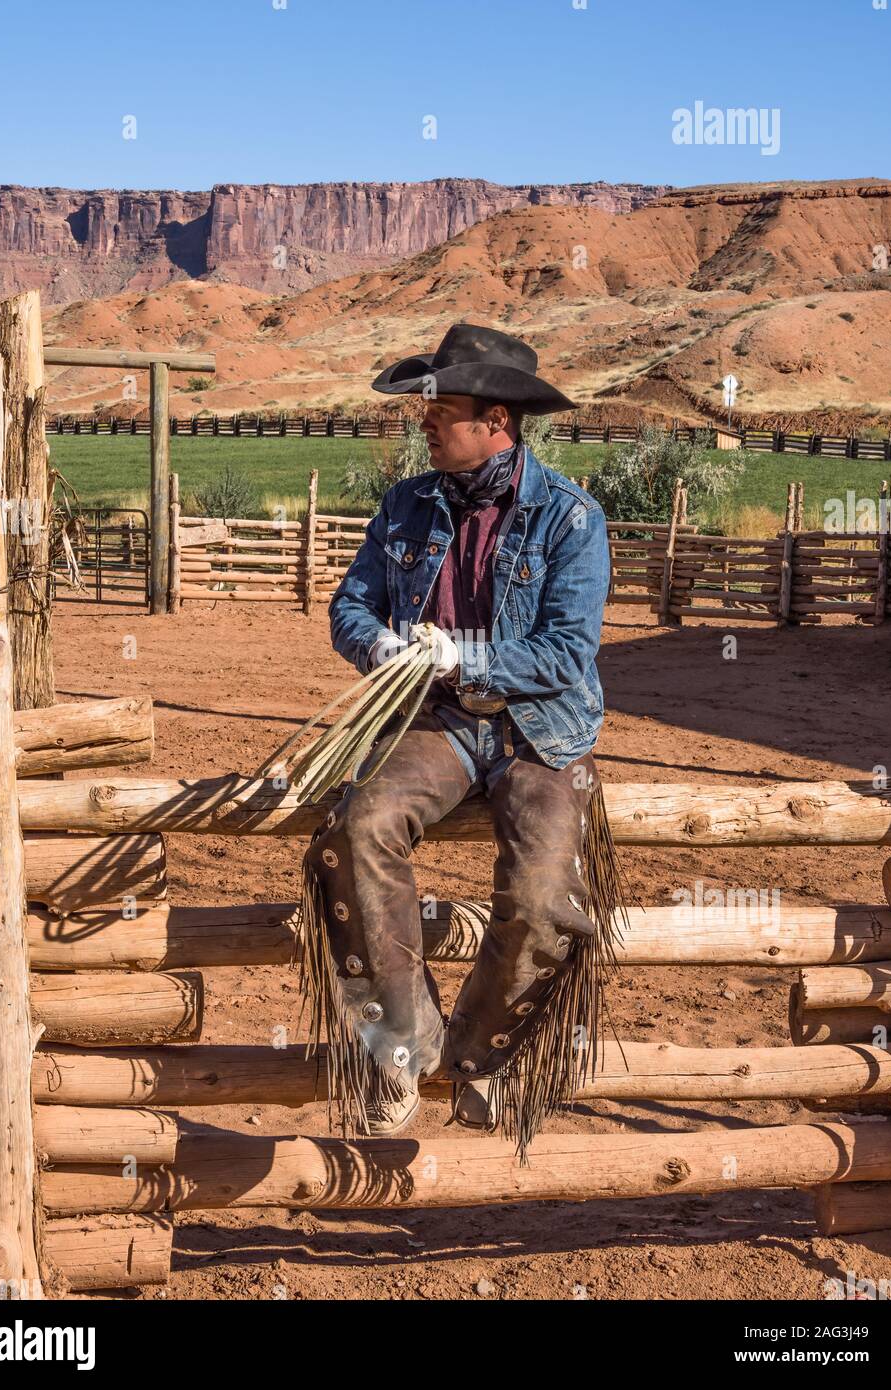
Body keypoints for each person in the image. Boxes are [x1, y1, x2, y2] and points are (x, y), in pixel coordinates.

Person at [298, 323, 624, 1159]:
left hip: (535, 727)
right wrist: (379, 646)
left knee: (548, 897)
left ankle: (480, 1054)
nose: (425, 424)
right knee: (356, 830)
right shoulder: (405, 504)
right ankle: (401, 1051)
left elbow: (563, 653)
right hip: (438, 721)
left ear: (497, 421)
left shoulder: (570, 517)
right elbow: (350, 606)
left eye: (440, 410)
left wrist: (465, 653)